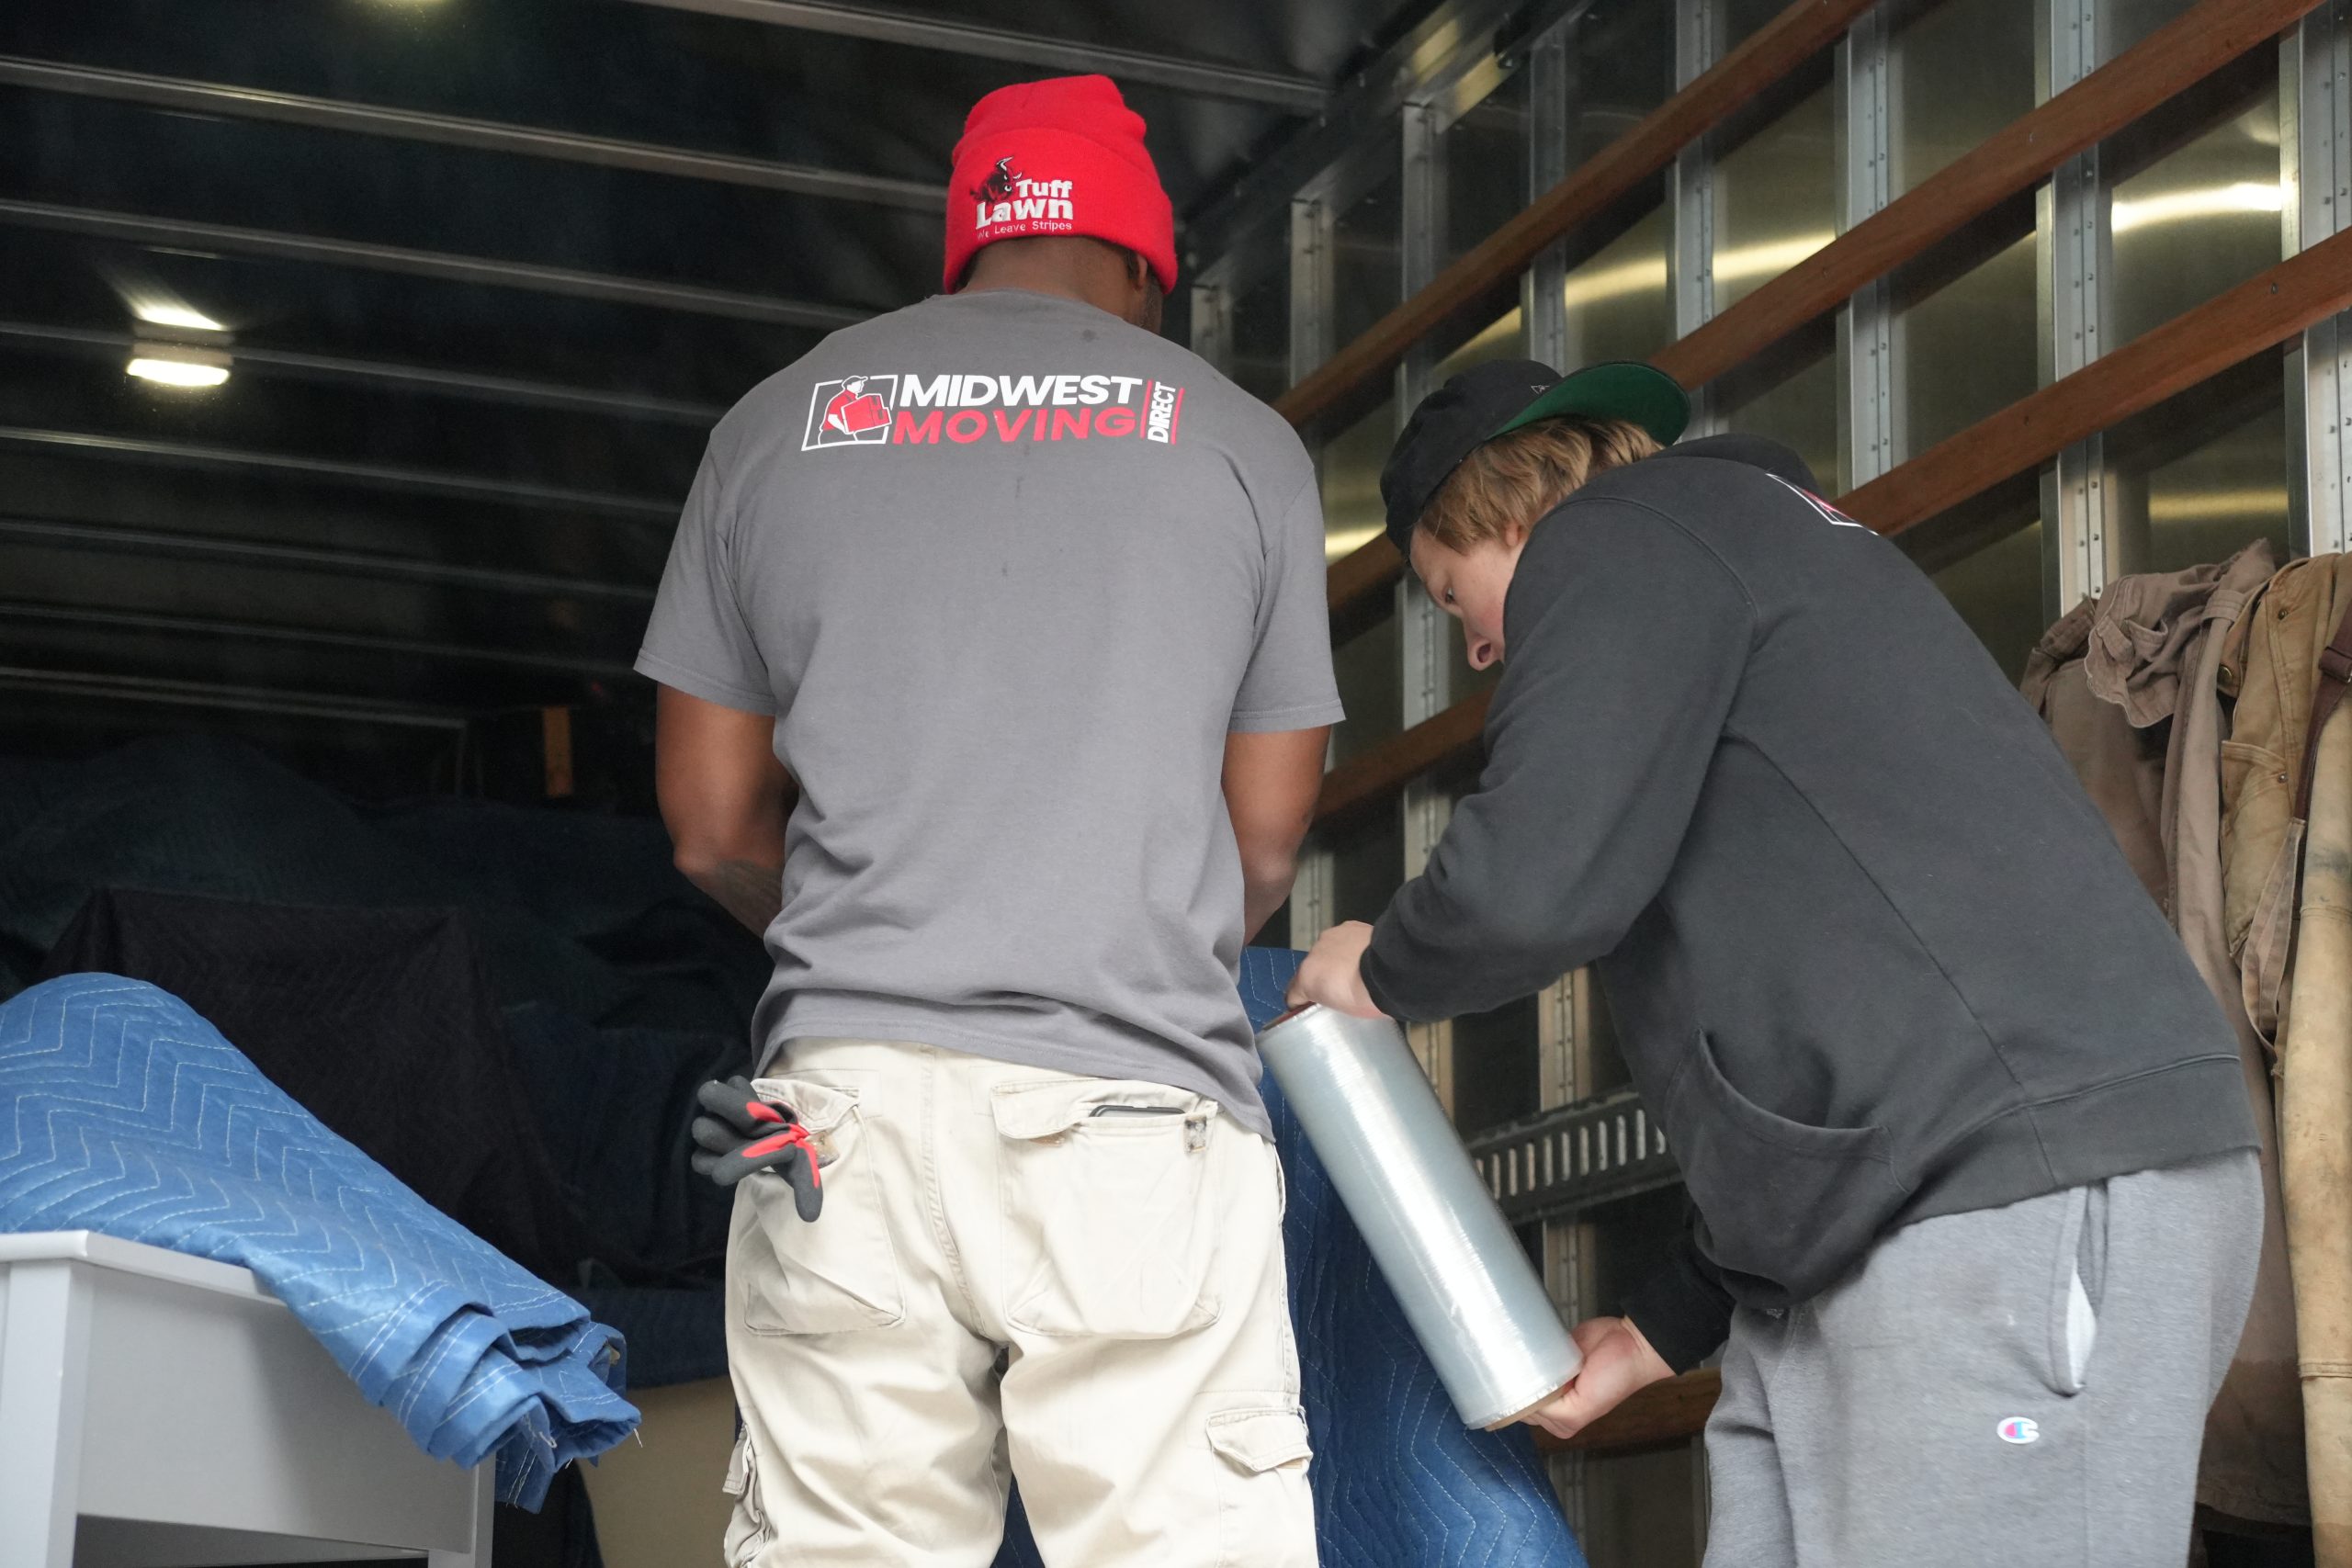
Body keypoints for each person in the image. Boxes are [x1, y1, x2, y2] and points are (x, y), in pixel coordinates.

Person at [1287, 357, 2262, 1566]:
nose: (1479, 650)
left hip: (2012, 1198)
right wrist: (1658, 1325)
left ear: (1506, 512)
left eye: (1450, 593)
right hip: (1893, 1230)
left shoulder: (1619, 538)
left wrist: (1374, 969)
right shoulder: (1729, 565)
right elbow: (1819, 1051)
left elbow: (1532, 886)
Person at [639, 74, 1339, 1568]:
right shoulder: (1242, 445)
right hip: (1136, 1114)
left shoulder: (775, 429)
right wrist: (1103, 927)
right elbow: (1267, 837)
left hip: (839, 1125)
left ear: (962, 248)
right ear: (1150, 262)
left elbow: (705, 822)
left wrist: (888, 925)